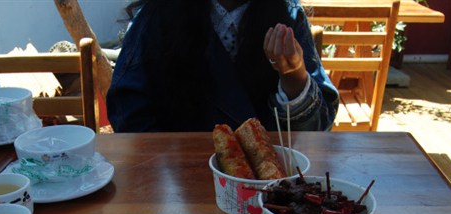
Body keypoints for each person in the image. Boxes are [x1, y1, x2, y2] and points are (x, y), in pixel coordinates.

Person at [106, 0, 339, 133]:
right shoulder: (158, 16)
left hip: (269, 187)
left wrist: (294, 76)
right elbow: (129, 108)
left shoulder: (288, 16)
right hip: (182, 183)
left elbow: (316, 130)